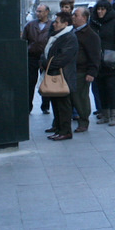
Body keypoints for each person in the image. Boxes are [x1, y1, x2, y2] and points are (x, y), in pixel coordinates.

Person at [40, 11, 78, 141]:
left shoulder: (69, 37)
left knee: (63, 105)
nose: (54, 24)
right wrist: (44, 62)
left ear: (65, 24)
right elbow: (46, 53)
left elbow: (62, 58)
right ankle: (58, 128)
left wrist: (46, 64)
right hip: (53, 75)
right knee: (56, 104)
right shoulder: (56, 36)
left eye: (57, 22)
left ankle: (65, 131)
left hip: (63, 77)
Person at [90, 0, 115, 126]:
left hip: (111, 62)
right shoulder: (93, 22)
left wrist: (113, 54)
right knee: (101, 88)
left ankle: (114, 114)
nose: (100, 12)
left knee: (111, 87)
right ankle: (104, 113)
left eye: (103, 9)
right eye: (98, 9)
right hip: (97, 61)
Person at [71, 7, 101, 133]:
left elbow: (95, 55)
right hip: (71, 70)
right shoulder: (72, 31)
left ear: (83, 18)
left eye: (75, 15)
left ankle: (83, 121)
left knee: (81, 97)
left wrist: (91, 72)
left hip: (82, 71)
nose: (72, 17)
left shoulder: (90, 35)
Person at [22, 3, 53, 114]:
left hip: (46, 57)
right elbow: (24, 40)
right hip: (32, 57)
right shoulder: (30, 25)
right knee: (30, 82)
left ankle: (45, 106)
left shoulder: (52, 25)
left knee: (45, 82)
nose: (38, 13)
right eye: (37, 11)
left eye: (40, 11)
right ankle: (28, 106)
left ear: (47, 12)